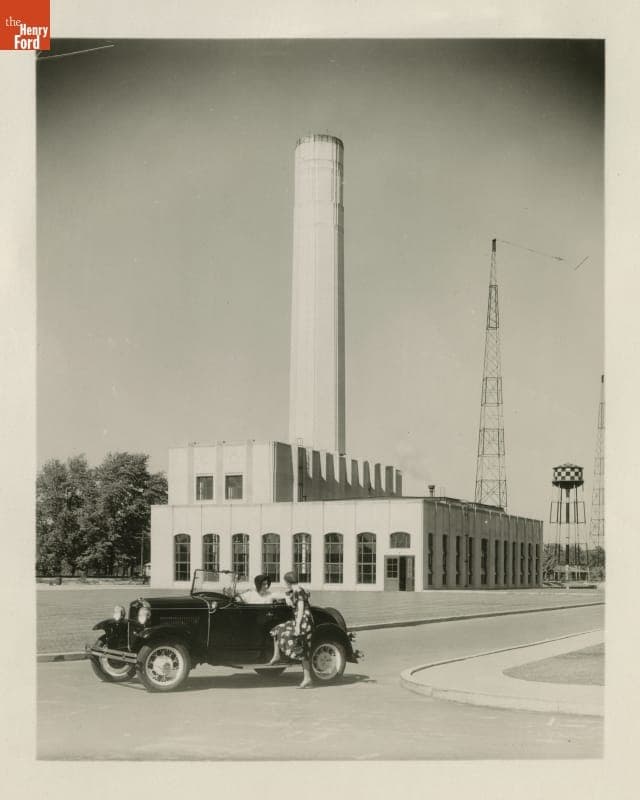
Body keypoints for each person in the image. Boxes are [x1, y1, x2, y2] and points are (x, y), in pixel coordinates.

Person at [268, 571, 314, 688]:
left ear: (288, 582)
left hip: (303, 622)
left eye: (285, 582)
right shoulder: (298, 590)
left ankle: (307, 679)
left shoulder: (298, 592)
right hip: (302, 621)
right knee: (278, 629)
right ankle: (277, 656)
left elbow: (301, 609)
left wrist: (298, 626)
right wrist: (287, 598)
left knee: (302, 649)